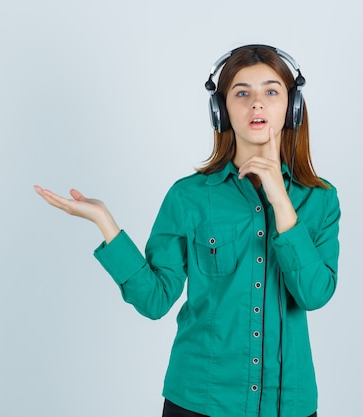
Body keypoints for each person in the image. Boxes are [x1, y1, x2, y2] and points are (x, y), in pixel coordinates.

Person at [34, 44, 340, 417]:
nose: (256, 103)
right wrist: (105, 223)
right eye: (242, 92)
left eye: (271, 91)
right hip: (199, 399)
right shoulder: (187, 197)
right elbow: (155, 299)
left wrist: (280, 201)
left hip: (287, 403)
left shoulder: (321, 199)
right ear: (221, 109)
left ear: (292, 107)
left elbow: (315, 294)